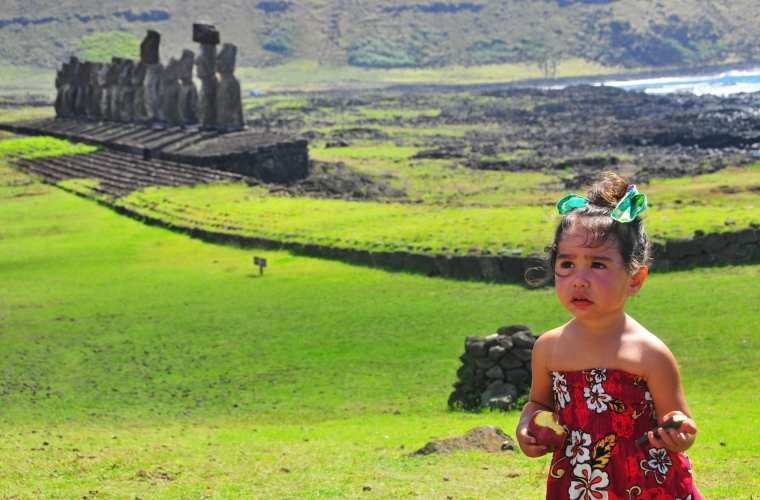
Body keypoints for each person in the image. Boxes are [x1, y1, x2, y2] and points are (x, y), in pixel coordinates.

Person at [516, 172, 701, 499]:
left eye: (598, 265)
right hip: (578, 481)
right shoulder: (548, 347)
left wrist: (678, 433)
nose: (579, 280)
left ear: (635, 278)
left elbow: (679, 421)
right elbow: (538, 403)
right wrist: (527, 429)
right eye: (567, 263)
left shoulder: (650, 354)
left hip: (647, 483)